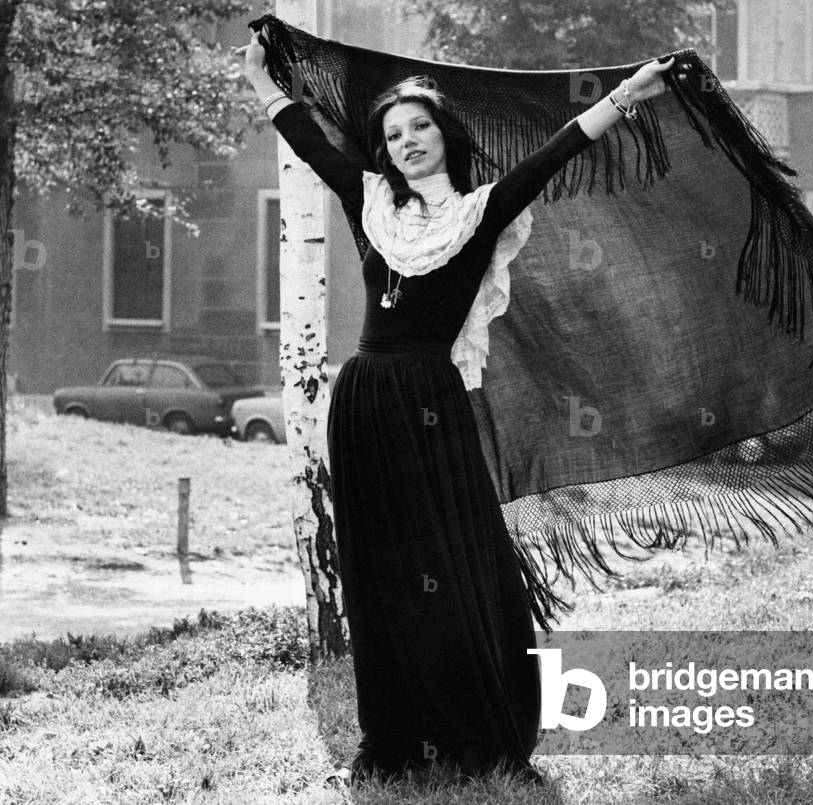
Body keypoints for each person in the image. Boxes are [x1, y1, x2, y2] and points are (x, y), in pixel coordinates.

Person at [238, 27, 675, 787]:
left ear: (444, 135)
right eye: (393, 133)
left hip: (429, 400)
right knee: (378, 573)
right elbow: (309, 142)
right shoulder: (369, 201)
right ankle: (395, 737)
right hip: (364, 400)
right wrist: (259, 81)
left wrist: (625, 97)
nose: (406, 142)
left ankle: (482, 730)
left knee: (454, 559)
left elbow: (555, 153)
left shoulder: (478, 214)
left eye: (419, 127)